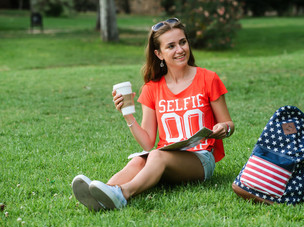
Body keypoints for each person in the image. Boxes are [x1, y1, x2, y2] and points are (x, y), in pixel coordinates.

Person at [71, 18, 234, 211]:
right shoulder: (151, 88)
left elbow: (228, 123)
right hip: (166, 156)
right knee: (140, 159)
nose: (180, 50)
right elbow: (148, 142)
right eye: (171, 46)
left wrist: (223, 128)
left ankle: (122, 193)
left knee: (156, 156)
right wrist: (127, 115)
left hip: (200, 158)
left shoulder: (208, 78)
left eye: (182, 42)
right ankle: (102, 194)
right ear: (159, 54)